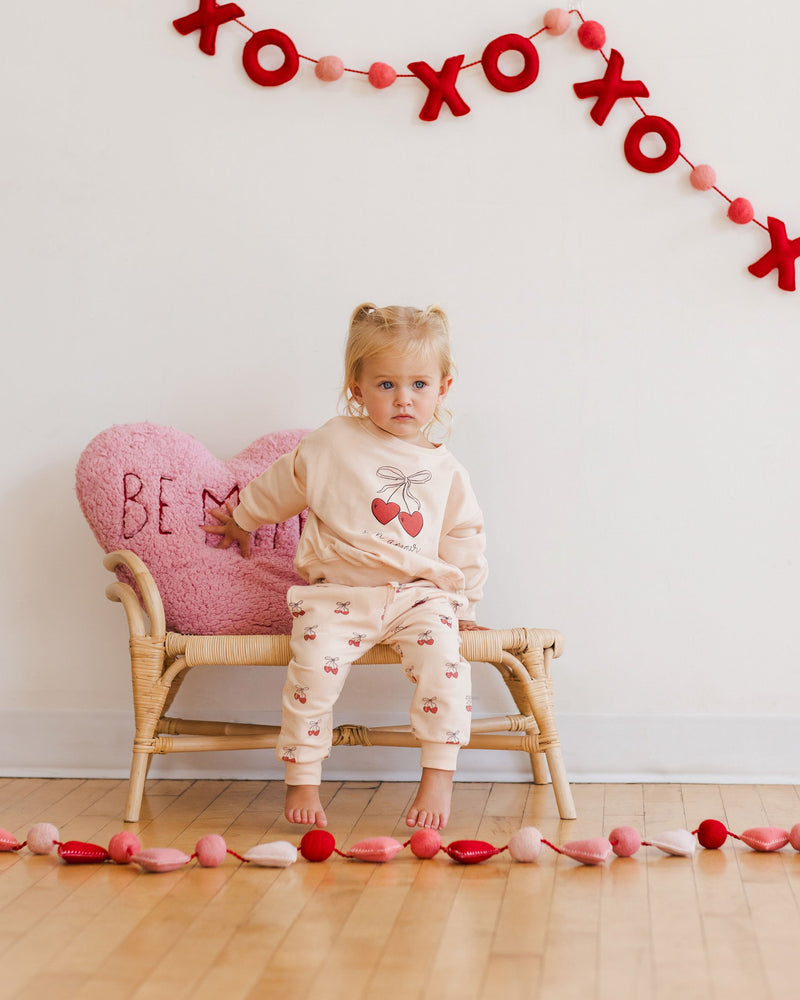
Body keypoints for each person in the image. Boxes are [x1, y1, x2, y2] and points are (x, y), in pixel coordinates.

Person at [204, 303, 487, 830]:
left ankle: (439, 774)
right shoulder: (332, 443)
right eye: (385, 385)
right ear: (356, 388)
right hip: (338, 595)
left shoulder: (445, 470)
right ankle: (303, 777)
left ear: (443, 388)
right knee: (310, 671)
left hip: (416, 595)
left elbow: (463, 537)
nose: (404, 398)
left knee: (446, 668)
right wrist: (242, 519)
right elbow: (282, 483)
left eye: (419, 384)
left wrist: (464, 605)